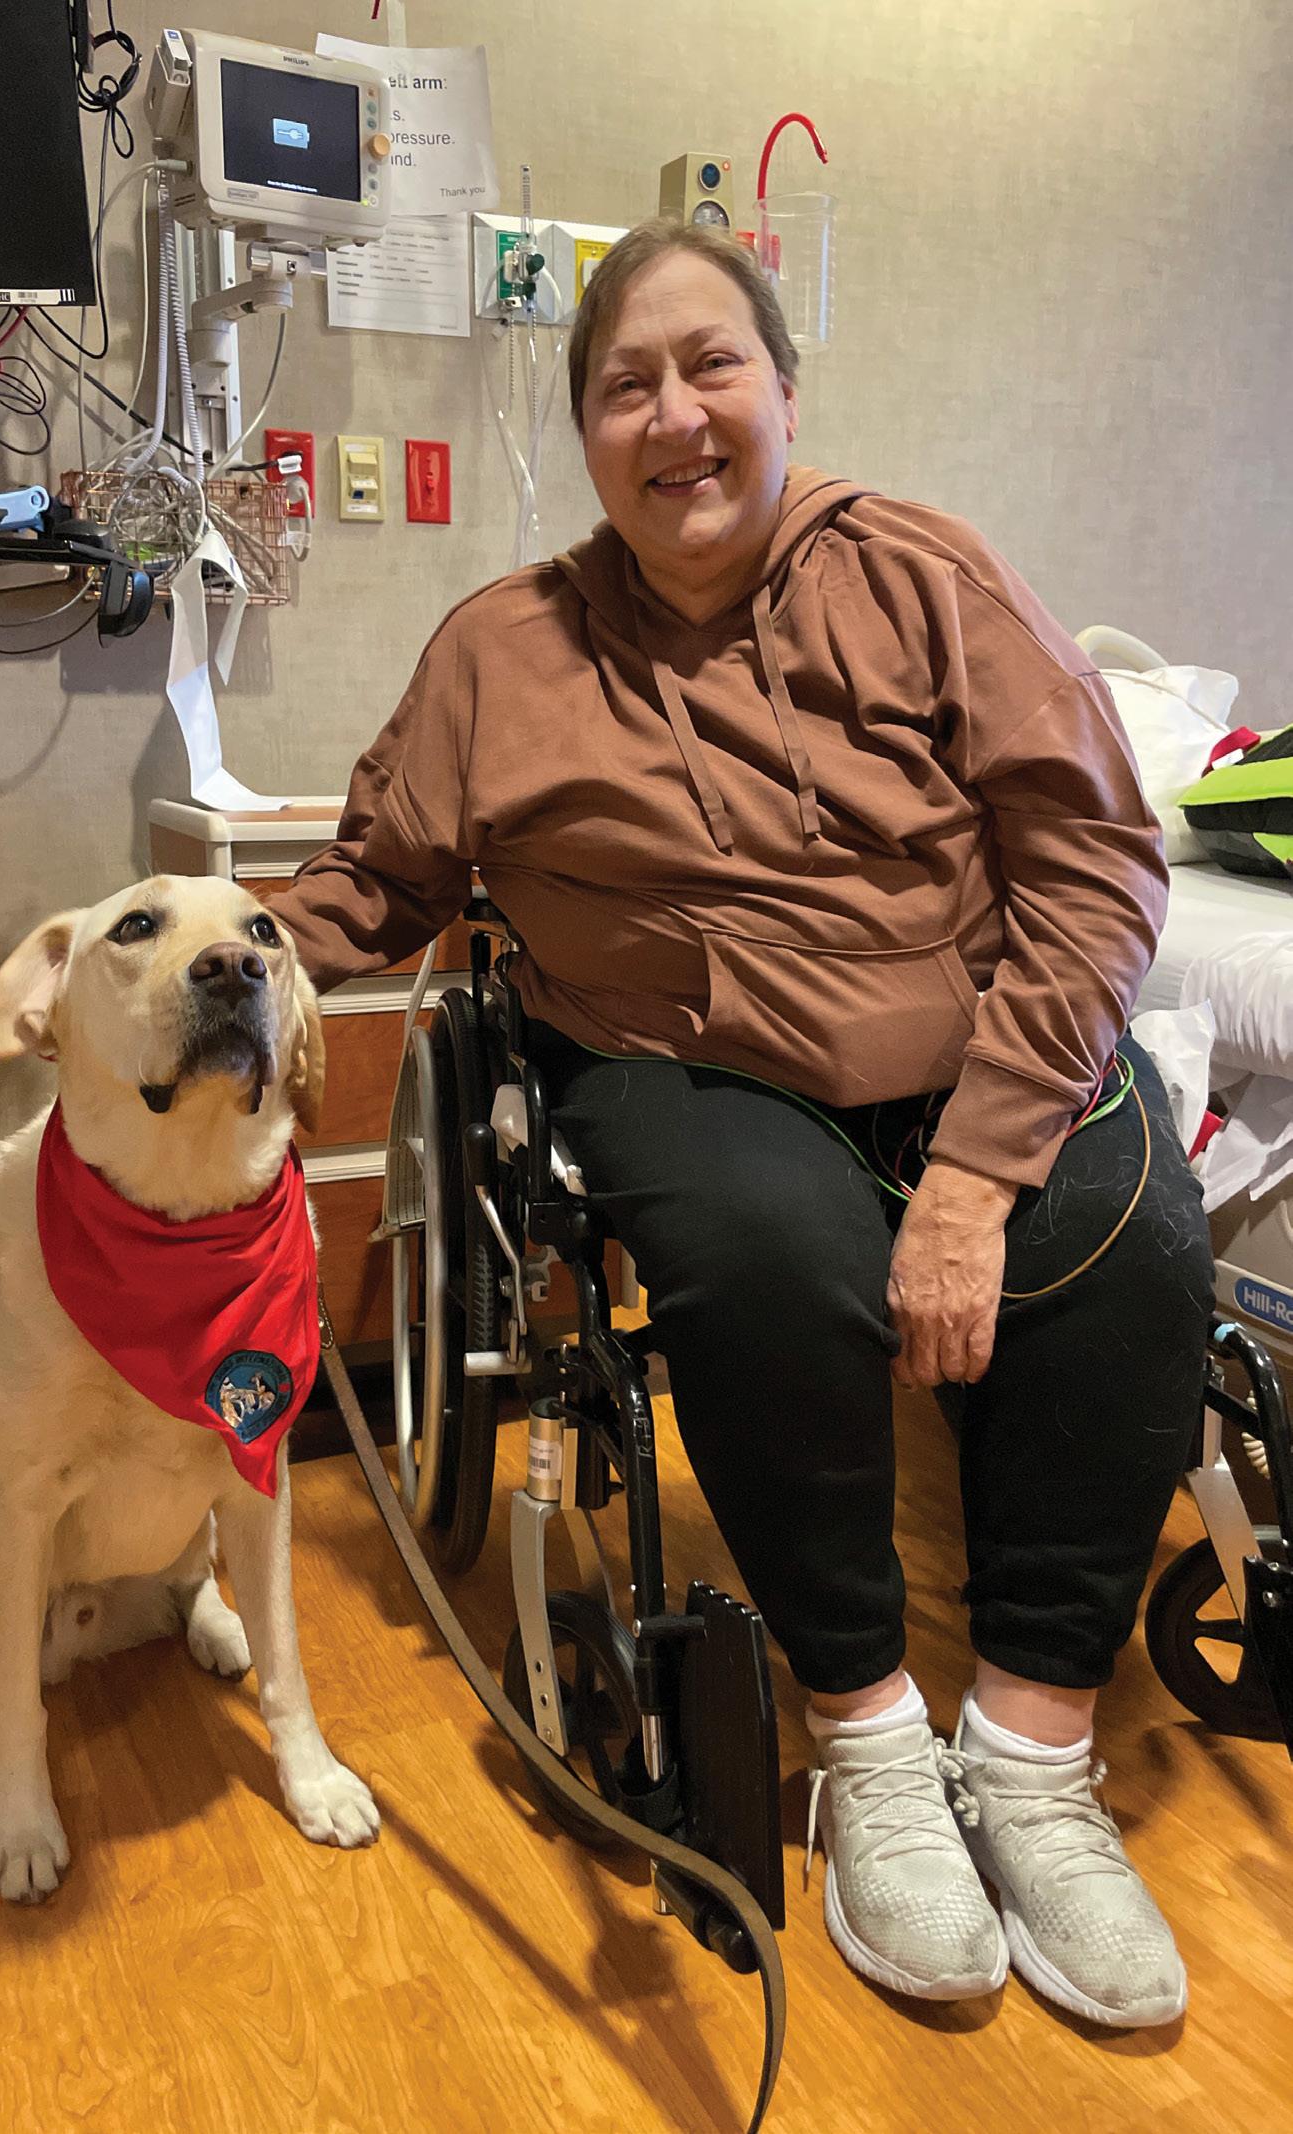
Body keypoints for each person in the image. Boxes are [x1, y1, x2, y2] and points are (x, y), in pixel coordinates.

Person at [272, 219, 1214, 2026]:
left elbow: (1093, 853)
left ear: (784, 391)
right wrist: (209, 962)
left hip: (972, 1029)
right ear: (585, 434)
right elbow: (372, 885)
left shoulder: (920, 571)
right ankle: (865, 1730)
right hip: (680, 1060)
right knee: (769, 1258)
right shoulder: (500, 652)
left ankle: (1027, 1753)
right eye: (626, 383)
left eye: (713, 366)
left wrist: (974, 1172)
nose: (676, 413)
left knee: (1132, 1238)